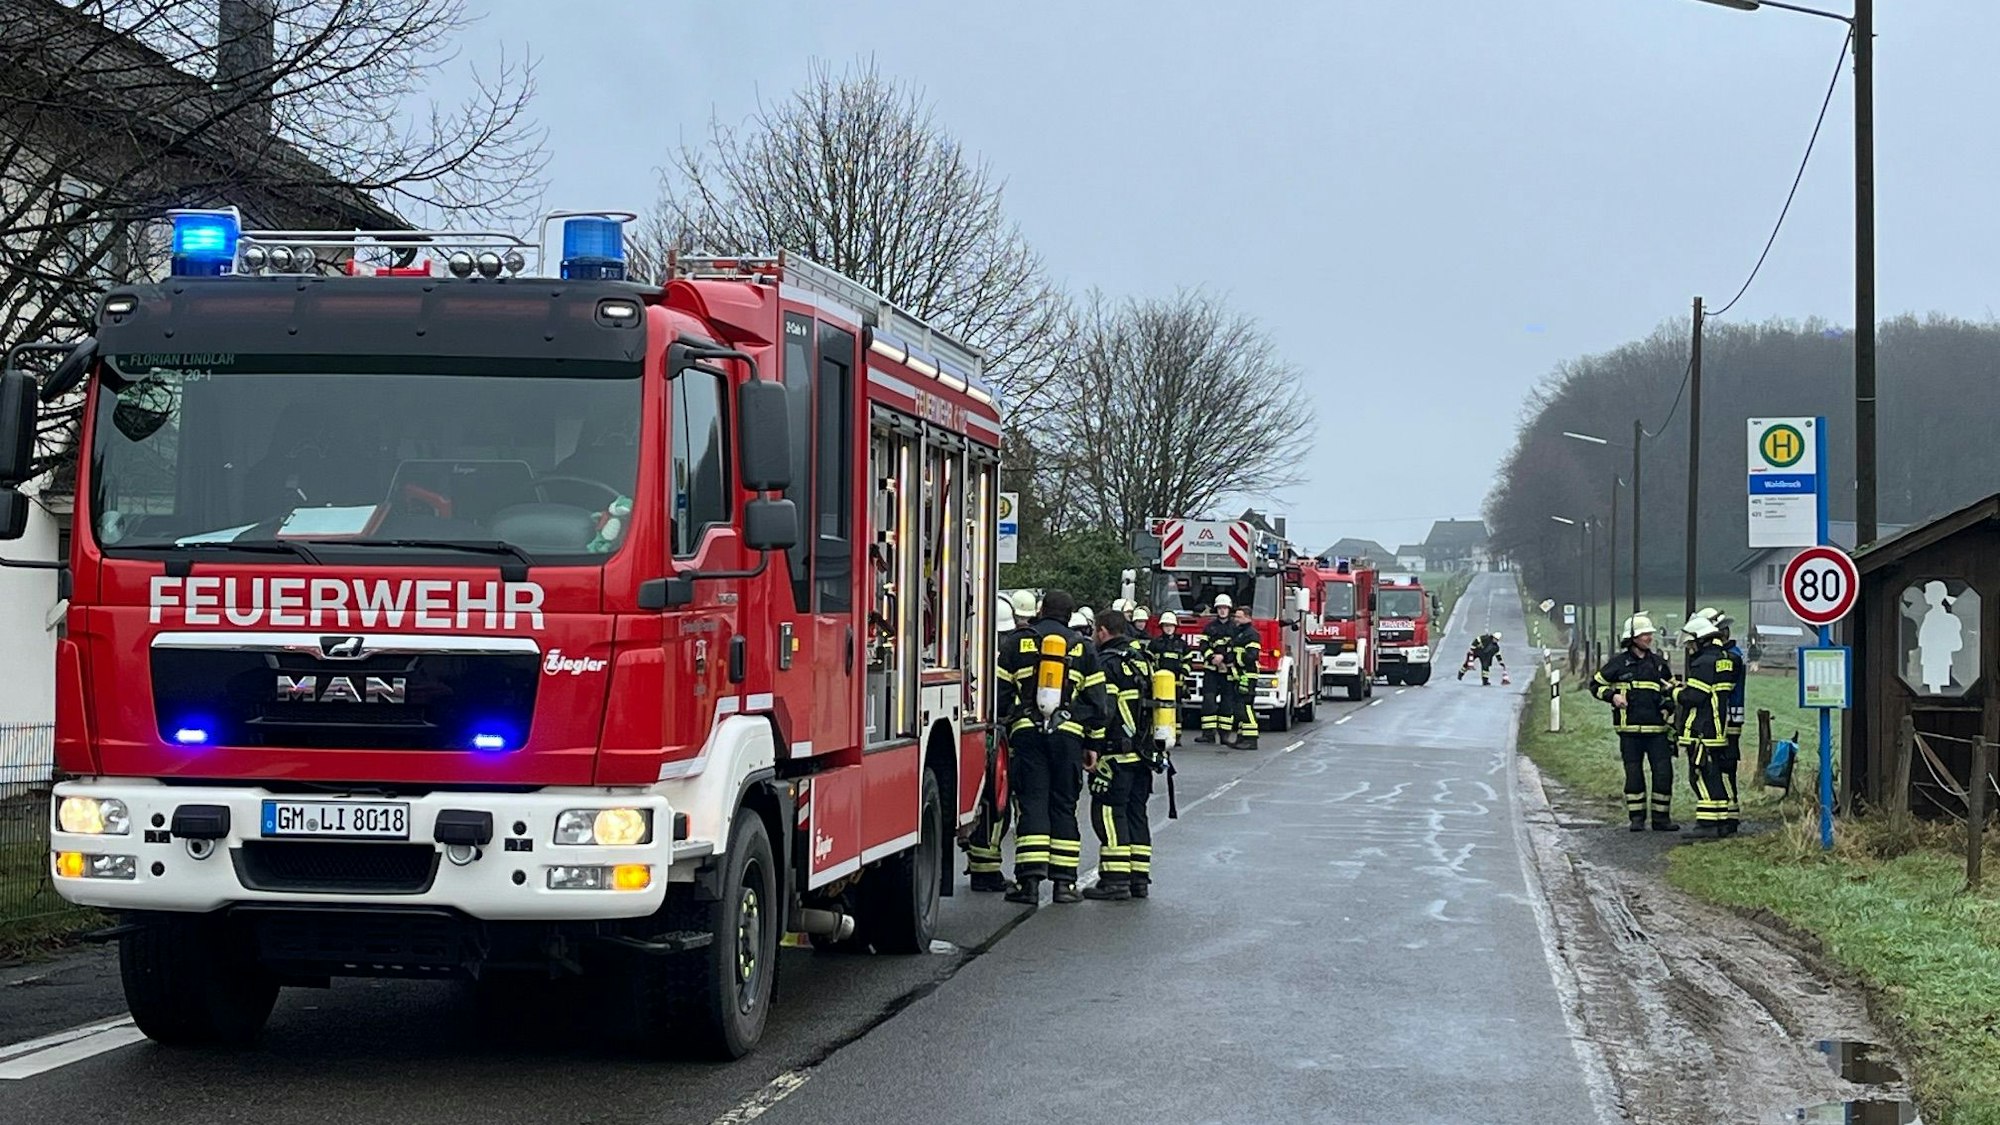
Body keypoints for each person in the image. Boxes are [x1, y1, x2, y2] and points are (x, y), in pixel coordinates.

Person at [1000, 589, 1104, 905]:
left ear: (1041, 609)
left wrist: (1010, 727)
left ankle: (1029, 884)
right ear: (1070, 615)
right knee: (1063, 805)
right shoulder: (1084, 648)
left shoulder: (1017, 642)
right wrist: (1092, 743)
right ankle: (1064, 885)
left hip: (1027, 736)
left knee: (1032, 803)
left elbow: (1000, 696)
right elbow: (1098, 704)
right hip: (1069, 738)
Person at [964, 591, 1039, 892]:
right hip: (1004, 734)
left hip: (981, 732)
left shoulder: (976, 646)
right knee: (1000, 803)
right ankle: (987, 870)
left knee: (989, 802)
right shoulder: (1015, 648)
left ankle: (983, 867)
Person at [1084, 611, 1153, 901]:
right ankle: (1139, 879)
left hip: (1116, 755)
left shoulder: (1107, 663)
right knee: (1137, 814)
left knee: (1110, 814)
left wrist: (1094, 747)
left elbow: (1105, 711)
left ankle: (1115, 880)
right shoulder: (1142, 660)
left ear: (1102, 631)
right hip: (1143, 756)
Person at [1592, 615, 1680, 832]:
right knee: (1633, 775)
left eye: (1650, 634)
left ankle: (1661, 819)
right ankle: (1637, 818)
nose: (1649, 638)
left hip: (1657, 730)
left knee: (1663, 774)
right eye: (1644, 634)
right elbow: (1595, 685)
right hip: (1629, 731)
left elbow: (1670, 691)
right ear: (1632, 638)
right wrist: (1612, 696)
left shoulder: (1658, 664)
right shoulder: (1618, 664)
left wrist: (1668, 707)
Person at [1676, 614, 1734, 841]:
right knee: (1714, 775)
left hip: (1702, 728)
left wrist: (1674, 692)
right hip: (1717, 727)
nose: (1690, 649)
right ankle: (1720, 822)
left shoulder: (1703, 662)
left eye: (1691, 644)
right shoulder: (1724, 658)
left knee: (1699, 775)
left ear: (1701, 639)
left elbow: (1694, 696)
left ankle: (1706, 825)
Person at [1696, 608, 1747, 837]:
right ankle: (1727, 816)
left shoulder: (1729, 657)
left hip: (1726, 720)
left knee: (1724, 767)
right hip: (1726, 719)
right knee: (1721, 767)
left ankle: (1728, 817)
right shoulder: (1730, 655)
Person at [1197, 595, 1238, 744]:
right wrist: (1212, 657)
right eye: (1220, 608)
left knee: (1227, 703)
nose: (1222, 611)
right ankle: (1208, 734)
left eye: (1225, 608)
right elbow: (1203, 645)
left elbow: (1237, 648)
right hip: (1211, 671)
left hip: (1227, 671)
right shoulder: (1209, 628)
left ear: (1229, 609)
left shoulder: (1235, 628)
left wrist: (1223, 657)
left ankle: (1224, 735)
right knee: (1208, 701)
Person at [1149, 611, 1191, 746]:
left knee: (1177, 709)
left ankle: (1176, 736)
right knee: (1159, 708)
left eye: (1171, 626)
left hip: (1176, 682)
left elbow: (1188, 661)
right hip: (1159, 684)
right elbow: (1149, 661)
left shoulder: (1181, 644)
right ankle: (1159, 733)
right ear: (1162, 627)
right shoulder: (1155, 643)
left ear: (1175, 627)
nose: (1168, 628)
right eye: (1166, 625)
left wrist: (1184, 672)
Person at [1230, 603, 1262, 751]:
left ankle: (1251, 739)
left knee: (1246, 707)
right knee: (1239, 708)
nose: (1236, 619)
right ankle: (1242, 737)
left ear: (1248, 618)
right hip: (1239, 675)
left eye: (1239, 617)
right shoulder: (1239, 632)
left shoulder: (1251, 634)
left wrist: (1235, 660)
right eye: (1235, 617)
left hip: (1248, 675)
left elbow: (1251, 656)